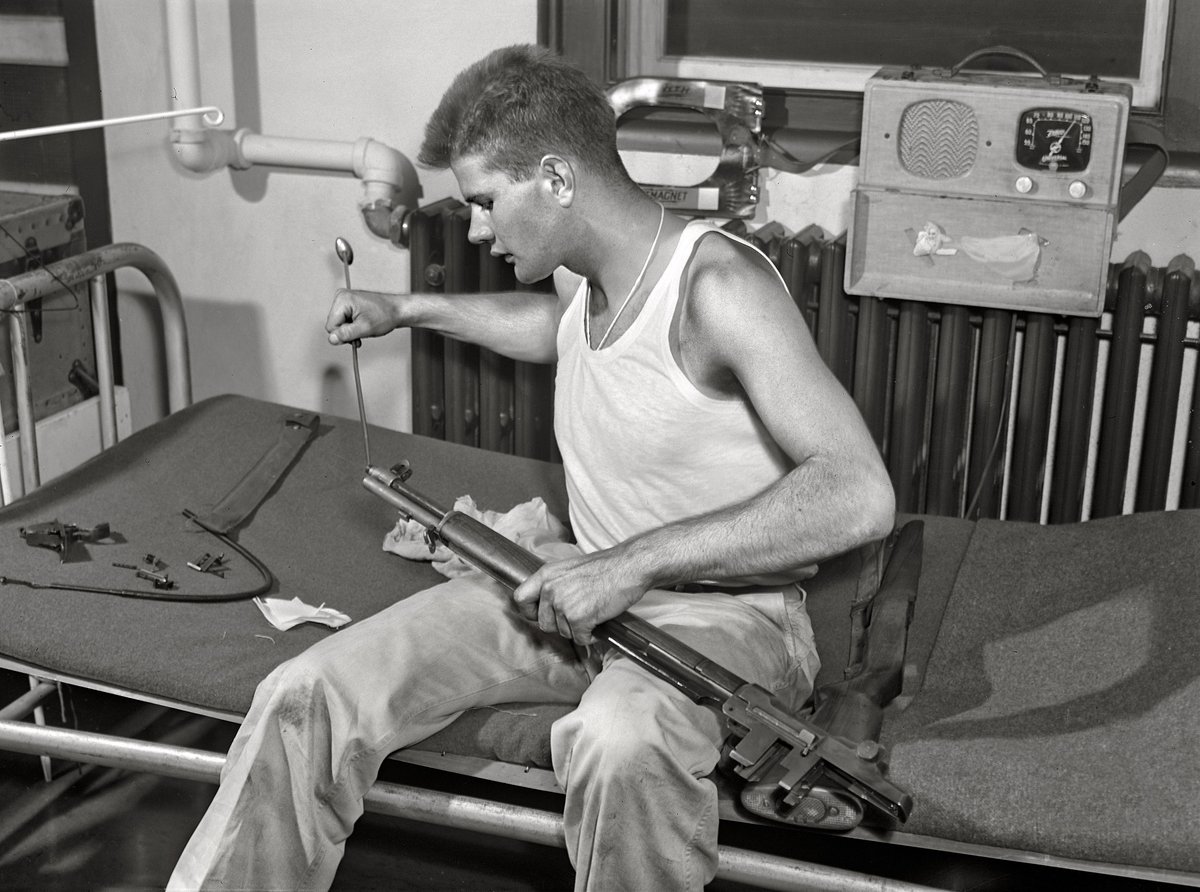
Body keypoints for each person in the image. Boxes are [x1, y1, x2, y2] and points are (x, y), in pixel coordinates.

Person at [169, 43, 895, 892]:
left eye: (483, 202)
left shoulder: (720, 287)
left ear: (555, 178)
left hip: (722, 618)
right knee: (308, 693)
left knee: (617, 744)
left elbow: (858, 492)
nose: (474, 227)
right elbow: (562, 333)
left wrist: (632, 564)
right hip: (574, 589)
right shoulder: (586, 273)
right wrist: (405, 309)